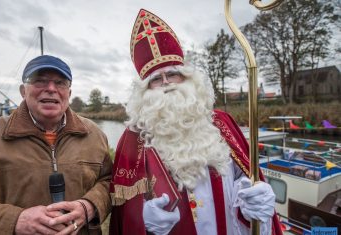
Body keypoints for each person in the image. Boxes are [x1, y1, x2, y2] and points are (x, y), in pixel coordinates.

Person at [109, 9, 283, 235]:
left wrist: (255, 199)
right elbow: (125, 210)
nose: (166, 83)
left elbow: (245, 178)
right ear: (144, 91)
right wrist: (144, 220)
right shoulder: (134, 138)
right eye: (155, 79)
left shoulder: (221, 122)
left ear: (188, 79)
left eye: (172, 75)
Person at [0, 55, 113, 235]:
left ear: (69, 93)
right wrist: (14, 221)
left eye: (60, 83)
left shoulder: (95, 135)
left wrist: (89, 206)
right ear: (23, 91)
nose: (51, 89)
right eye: (40, 81)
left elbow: (109, 182)